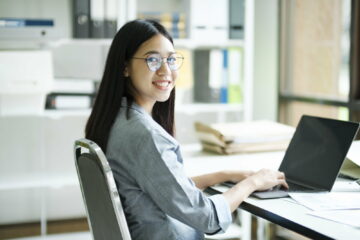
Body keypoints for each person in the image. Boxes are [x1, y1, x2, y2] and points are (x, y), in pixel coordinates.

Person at [85, 19, 288, 240]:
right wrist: (254, 182)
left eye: (171, 59)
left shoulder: (117, 120)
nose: (166, 70)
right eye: (152, 59)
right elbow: (207, 217)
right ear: (125, 67)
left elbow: (165, 187)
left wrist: (223, 175)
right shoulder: (145, 135)